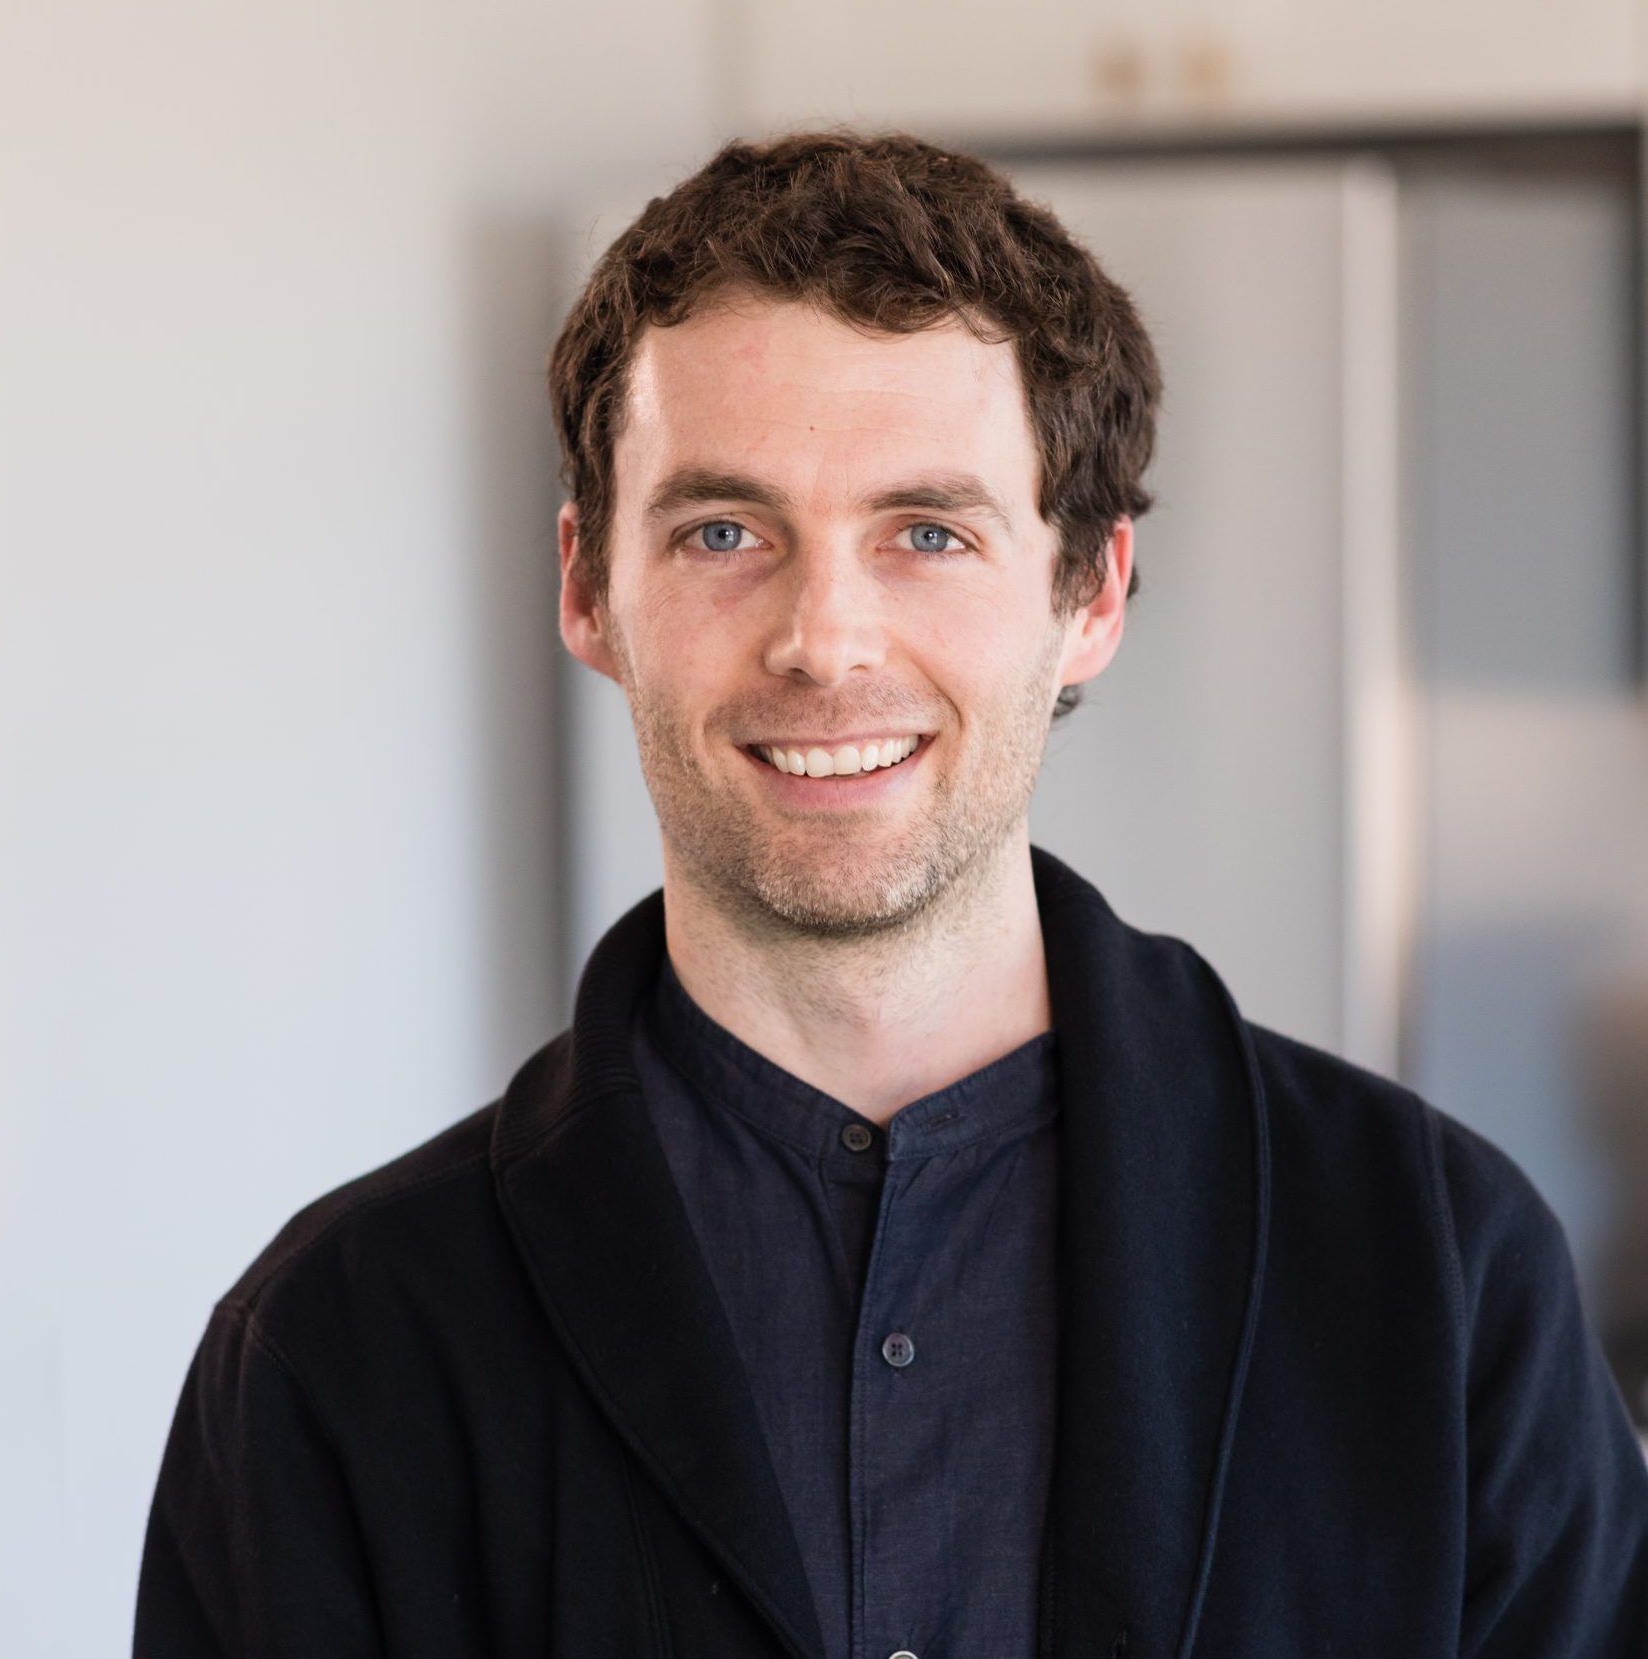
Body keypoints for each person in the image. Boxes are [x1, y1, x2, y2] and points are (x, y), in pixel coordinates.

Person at [133, 130, 1648, 1659]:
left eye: (927, 533)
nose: (825, 640)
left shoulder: (1435, 1279)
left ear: (1093, 592)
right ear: (589, 587)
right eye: (726, 532)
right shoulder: (342, 1348)